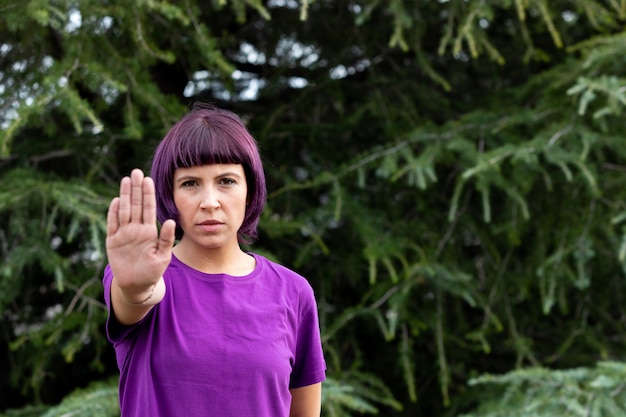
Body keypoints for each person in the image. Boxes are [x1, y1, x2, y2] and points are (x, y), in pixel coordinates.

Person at [102, 103, 327, 417]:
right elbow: (137, 296)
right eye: (190, 183)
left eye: (227, 181)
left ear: (250, 190)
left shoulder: (293, 291)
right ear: (170, 194)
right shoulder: (137, 275)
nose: (209, 202)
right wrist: (137, 287)